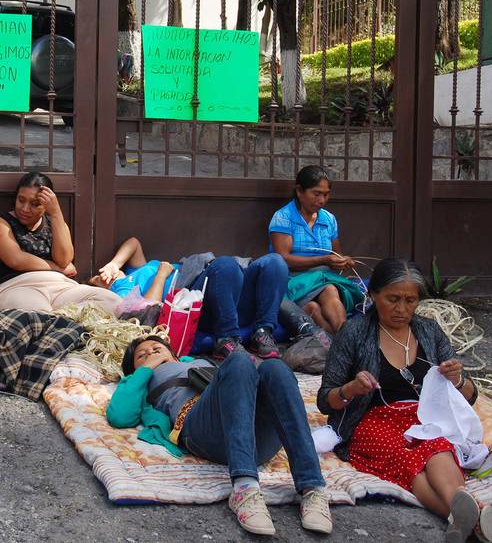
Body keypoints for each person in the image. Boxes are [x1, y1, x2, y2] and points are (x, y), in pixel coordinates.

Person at [316, 258, 492, 543]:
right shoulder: (353, 333)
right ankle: (477, 520)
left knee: (437, 447)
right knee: (406, 459)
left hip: (424, 417)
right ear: (373, 294)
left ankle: (464, 521)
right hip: (373, 422)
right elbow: (325, 400)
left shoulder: (428, 331)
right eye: (392, 299)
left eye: (410, 300)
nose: (401, 309)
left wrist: (457, 379)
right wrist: (351, 389)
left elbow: (470, 396)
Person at [107, 335, 332, 537]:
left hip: (255, 438)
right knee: (239, 360)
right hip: (204, 430)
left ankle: (312, 487)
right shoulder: (140, 381)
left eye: (157, 349)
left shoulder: (196, 362)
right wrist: (146, 369)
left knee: (275, 368)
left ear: (173, 352)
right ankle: (245, 488)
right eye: (142, 356)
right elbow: (120, 415)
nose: (151, 354)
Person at [92, 237, 309, 360]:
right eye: (98, 279)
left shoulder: (136, 270)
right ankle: (227, 339)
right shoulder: (121, 292)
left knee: (274, 262)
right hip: (196, 307)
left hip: (228, 294)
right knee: (225, 265)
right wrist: (161, 275)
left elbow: (134, 242)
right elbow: (150, 307)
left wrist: (114, 264)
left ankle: (263, 332)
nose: (102, 276)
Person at [0, 171, 120, 314]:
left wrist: (55, 213)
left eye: (35, 204)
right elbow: (16, 260)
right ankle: (57, 320)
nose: (25, 208)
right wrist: (58, 268)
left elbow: (64, 260)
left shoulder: (55, 223)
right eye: (21, 200)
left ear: (46, 206)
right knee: (36, 315)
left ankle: (61, 318)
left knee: (113, 302)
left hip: (60, 287)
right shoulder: (0, 222)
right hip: (17, 287)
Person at [269, 165, 363, 334]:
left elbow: (336, 254)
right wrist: (323, 260)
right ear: (299, 191)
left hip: (324, 278)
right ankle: (342, 338)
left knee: (329, 291)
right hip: (292, 280)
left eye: (326, 194)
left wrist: (342, 261)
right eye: (316, 193)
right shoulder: (283, 217)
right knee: (318, 301)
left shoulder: (328, 219)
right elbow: (283, 259)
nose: (322, 200)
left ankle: (340, 336)